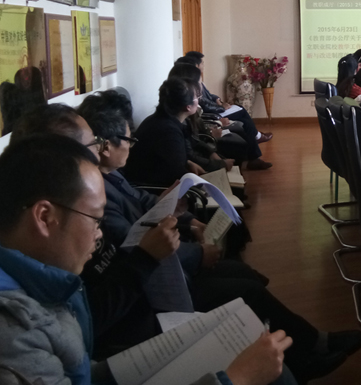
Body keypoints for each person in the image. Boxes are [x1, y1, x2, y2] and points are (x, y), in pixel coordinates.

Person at [78, 105, 361, 383]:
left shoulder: (111, 176)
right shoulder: (97, 196)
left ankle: (306, 347)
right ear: (105, 147)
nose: (131, 146)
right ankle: (305, 353)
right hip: (159, 288)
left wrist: (184, 217)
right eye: (127, 140)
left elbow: (144, 203)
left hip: (162, 268)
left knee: (243, 275)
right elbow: (137, 245)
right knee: (246, 289)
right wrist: (197, 253)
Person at [0, 135, 296, 385]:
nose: (100, 234)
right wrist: (236, 379)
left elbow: (78, 369)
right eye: (94, 219)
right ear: (44, 217)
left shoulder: (48, 280)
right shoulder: (16, 335)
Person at [10, 104, 181, 359]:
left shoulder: (86, 200)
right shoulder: (58, 238)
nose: (100, 151)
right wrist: (145, 259)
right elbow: (86, 323)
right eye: (93, 144)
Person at [172, 62, 269, 170]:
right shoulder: (174, 125)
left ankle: (252, 158)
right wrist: (214, 129)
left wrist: (212, 150)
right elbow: (191, 148)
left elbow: (195, 137)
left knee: (244, 123)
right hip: (212, 120)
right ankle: (249, 158)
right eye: (197, 94)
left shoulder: (185, 113)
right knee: (239, 135)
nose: (199, 94)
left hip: (210, 125)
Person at [123, 77, 201, 185]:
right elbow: (177, 174)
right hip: (155, 189)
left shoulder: (160, 119)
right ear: (188, 107)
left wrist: (188, 163)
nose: (199, 100)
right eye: (197, 97)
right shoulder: (168, 131)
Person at [183, 52, 273, 145]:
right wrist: (222, 107)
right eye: (202, 63)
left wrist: (217, 99)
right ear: (197, 66)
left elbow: (209, 95)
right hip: (212, 113)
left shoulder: (198, 80)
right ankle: (257, 136)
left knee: (245, 121)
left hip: (214, 109)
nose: (204, 65)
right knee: (241, 110)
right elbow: (204, 104)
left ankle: (255, 137)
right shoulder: (193, 83)